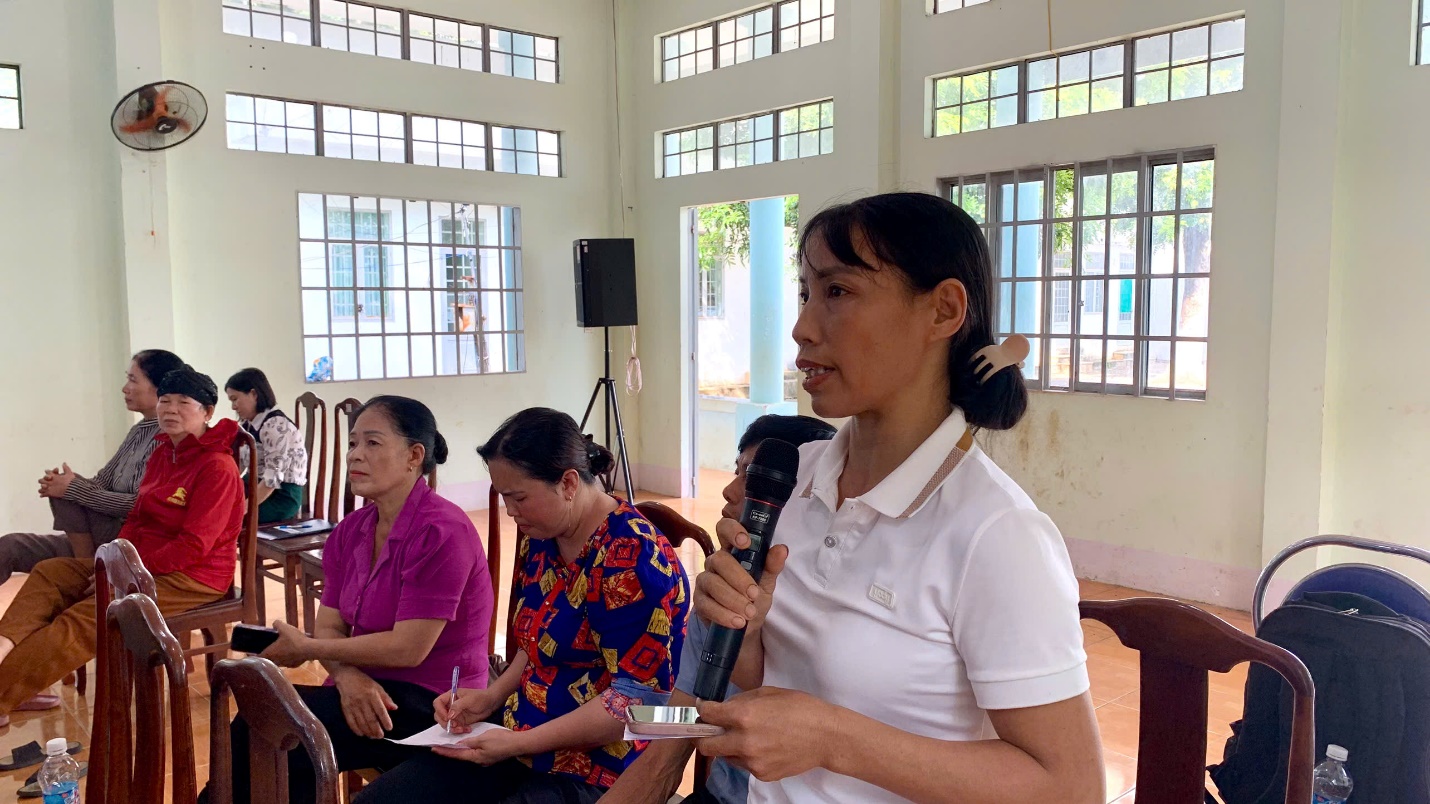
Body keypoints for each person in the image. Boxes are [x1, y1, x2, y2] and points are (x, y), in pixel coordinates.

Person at [692, 192, 1104, 803]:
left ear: (943, 310)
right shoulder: (796, 478)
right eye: (806, 293)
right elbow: (769, 685)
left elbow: (1071, 787)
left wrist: (835, 740)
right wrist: (745, 631)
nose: (802, 327)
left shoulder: (997, 534)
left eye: (837, 291)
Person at [354, 407, 690, 804]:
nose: (510, 512)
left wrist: (516, 743)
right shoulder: (544, 535)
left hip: (604, 765)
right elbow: (537, 641)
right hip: (526, 730)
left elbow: (637, 704)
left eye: (519, 498)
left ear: (568, 483)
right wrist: (492, 697)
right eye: (503, 498)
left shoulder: (629, 558)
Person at [199, 395, 493, 804]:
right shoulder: (352, 530)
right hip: (367, 686)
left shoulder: (442, 531)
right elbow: (330, 624)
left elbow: (409, 648)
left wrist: (307, 649)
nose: (354, 454)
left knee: (275, 729)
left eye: (372, 443)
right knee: (267, 723)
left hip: (437, 703)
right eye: (353, 443)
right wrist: (348, 677)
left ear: (414, 456)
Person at [599, 414, 836, 804]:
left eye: (752, 477)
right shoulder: (718, 595)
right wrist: (640, 717)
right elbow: (670, 746)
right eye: (737, 471)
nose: (729, 490)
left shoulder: (838, 624)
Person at [0, 365, 244, 729]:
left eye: (183, 402)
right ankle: (5, 646)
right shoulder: (163, 453)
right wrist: (112, 560)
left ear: (207, 411)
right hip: (140, 564)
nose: (171, 409)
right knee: (52, 573)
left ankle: (3, 691)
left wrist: (124, 574)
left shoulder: (217, 468)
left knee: (87, 616)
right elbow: (137, 518)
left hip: (192, 576)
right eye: (165, 400)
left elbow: (192, 547)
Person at [0, 349, 186, 583]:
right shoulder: (138, 430)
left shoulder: (173, 439)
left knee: (69, 490)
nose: (124, 388)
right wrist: (64, 484)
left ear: (160, 388)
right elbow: (101, 482)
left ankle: (85, 571)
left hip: (130, 542)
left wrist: (73, 488)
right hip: (94, 536)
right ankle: (86, 564)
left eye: (132, 379)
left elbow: (140, 506)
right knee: (7, 546)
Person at [225, 367, 309, 523]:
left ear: (254, 394)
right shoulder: (249, 424)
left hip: (280, 496)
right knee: (211, 504)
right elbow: (240, 466)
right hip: (255, 486)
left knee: (224, 518)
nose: (233, 407)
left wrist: (243, 508)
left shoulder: (275, 426)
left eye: (235, 399)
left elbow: (272, 480)